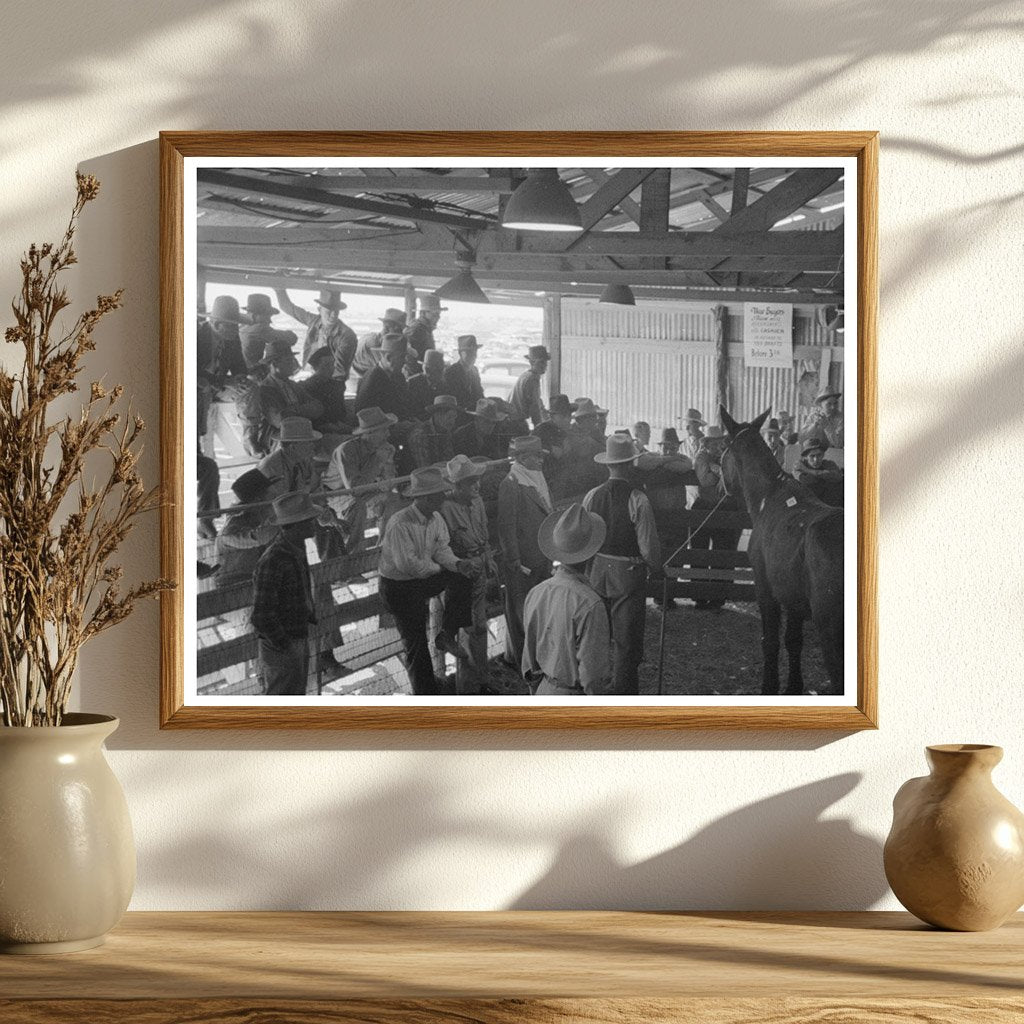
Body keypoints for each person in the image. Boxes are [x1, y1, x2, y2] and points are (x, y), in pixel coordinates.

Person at [378, 467, 477, 696]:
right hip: (398, 588)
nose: (443, 497)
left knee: (461, 576)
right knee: (416, 643)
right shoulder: (400, 523)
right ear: (424, 498)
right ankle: (426, 693)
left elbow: (442, 548)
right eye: (438, 494)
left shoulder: (436, 517)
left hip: (421, 579)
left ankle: (447, 634)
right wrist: (442, 568)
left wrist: (456, 563)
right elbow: (409, 565)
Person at [582, 435, 662, 694]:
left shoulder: (591, 496)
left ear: (608, 465)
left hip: (596, 570)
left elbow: (585, 538)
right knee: (626, 641)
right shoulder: (638, 499)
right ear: (629, 465)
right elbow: (648, 545)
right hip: (627, 574)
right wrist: (656, 567)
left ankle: (596, 687)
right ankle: (624, 694)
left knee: (598, 635)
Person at [522, 503, 611, 696]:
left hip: (543, 690)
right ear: (593, 553)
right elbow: (593, 676)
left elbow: (528, 662)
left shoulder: (536, 593)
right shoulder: (590, 604)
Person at [250, 491, 322, 696]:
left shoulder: (293, 550)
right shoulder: (275, 559)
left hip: (292, 637)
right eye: (309, 520)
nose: (314, 523)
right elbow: (262, 615)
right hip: (283, 642)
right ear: (298, 524)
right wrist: (286, 645)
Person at [440, 455, 497, 695]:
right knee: (467, 628)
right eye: (470, 482)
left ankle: (482, 680)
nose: (477, 486)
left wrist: (489, 559)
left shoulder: (478, 501)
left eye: (477, 480)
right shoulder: (444, 509)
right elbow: (442, 547)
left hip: (479, 568)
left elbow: (483, 532)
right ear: (456, 485)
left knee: (480, 626)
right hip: (459, 574)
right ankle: (468, 688)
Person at [497, 435, 553, 669]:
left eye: (541, 455)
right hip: (523, 560)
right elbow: (506, 526)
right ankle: (523, 660)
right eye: (536, 456)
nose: (541, 460)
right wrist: (514, 559)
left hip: (541, 554)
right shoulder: (511, 484)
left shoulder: (536, 478)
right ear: (521, 458)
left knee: (537, 608)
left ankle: (535, 655)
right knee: (521, 610)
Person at [323, 406, 397, 551]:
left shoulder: (381, 448)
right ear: (369, 433)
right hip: (337, 495)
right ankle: (352, 556)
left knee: (392, 499)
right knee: (358, 506)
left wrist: (388, 463)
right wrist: (377, 461)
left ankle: (385, 549)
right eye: (384, 430)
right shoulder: (346, 450)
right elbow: (354, 489)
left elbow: (388, 485)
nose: (388, 434)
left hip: (366, 491)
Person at [691, 425, 741, 608]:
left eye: (720, 442)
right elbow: (705, 480)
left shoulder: (729, 456)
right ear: (707, 443)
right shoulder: (701, 456)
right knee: (700, 551)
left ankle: (719, 596)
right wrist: (719, 472)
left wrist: (719, 472)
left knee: (723, 551)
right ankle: (699, 595)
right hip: (703, 506)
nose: (717, 445)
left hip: (724, 508)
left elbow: (733, 480)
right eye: (713, 442)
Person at [249, 338, 324, 455]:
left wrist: (293, 411)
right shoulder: (265, 389)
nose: (294, 364)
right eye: (289, 361)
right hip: (276, 440)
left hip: (299, 436)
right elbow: (281, 421)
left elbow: (318, 407)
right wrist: (304, 411)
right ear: (274, 364)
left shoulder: (293, 385)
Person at [275, 286, 358, 382]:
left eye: (336, 311)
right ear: (319, 310)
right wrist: (279, 290)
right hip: (311, 378)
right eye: (329, 311)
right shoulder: (314, 321)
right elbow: (288, 307)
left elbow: (339, 371)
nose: (333, 315)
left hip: (330, 383)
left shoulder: (347, 336)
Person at [214, 468, 278, 588]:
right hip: (232, 585)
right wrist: (284, 514)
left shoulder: (257, 519)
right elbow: (260, 538)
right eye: (270, 494)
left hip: (253, 579)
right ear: (258, 500)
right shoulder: (230, 530)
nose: (276, 495)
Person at [354, 332, 419, 426]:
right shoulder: (372, 378)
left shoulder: (398, 376)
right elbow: (364, 419)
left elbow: (404, 406)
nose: (405, 361)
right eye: (402, 357)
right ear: (388, 358)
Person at [298, 345, 352, 438]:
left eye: (333, 364)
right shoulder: (305, 388)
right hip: (317, 432)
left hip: (339, 428)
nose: (331, 368)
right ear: (315, 367)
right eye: (326, 365)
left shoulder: (338, 386)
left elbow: (341, 412)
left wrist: (341, 425)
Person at [239, 293, 298, 370]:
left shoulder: (241, 326)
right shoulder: (260, 329)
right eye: (267, 316)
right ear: (256, 314)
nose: (269, 320)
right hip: (254, 372)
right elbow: (291, 338)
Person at [351, 307, 408, 378]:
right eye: (400, 329)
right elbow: (391, 369)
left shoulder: (370, 336)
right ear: (389, 327)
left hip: (359, 373)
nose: (401, 333)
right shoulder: (378, 346)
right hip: (363, 377)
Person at [407, 394, 458, 469]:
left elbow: (450, 461)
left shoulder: (445, 432)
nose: (452, 421)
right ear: (437, 414)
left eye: (454, 417)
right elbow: (425, 469)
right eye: (449, 417)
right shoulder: (421, 435)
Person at [509, 345, 550, 428]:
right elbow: (534, 408)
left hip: (513, 419)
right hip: (515, 422)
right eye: (541, 362)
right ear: (532, 363)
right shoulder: (532, 379)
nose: (544, 365)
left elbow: (538, 401)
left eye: (545, 362)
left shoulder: (527, 375)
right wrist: (539, 428)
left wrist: (547, 418)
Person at [796, 437, 844, 506]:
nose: (816, 459)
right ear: (805, 457)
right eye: (812, 456)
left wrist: (807, 470)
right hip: (810, 507)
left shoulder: (829, 464)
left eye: (819, 455)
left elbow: (837, 477)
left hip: (831, 504)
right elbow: (806, 481)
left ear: (823, 455)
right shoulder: (798, 466)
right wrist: (824, 474)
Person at [443, 335, 485, 412]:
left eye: (474, 352)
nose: (473, 355)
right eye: (469, 352)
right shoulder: (451, 372)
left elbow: (479, 394)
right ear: (460, 353)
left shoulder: (474, 371)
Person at [404, 293, 446, 367]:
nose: (438, 317)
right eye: (435, 314)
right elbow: (410, 358)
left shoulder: (426, 329)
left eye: (439, 314)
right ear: (423, 313)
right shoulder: (416, 330)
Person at [406, 349, 448, 418]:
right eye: (438, 370)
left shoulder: (443, 385)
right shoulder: (413, 383)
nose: (442, 374)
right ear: (428, 370)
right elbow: (410, 410)